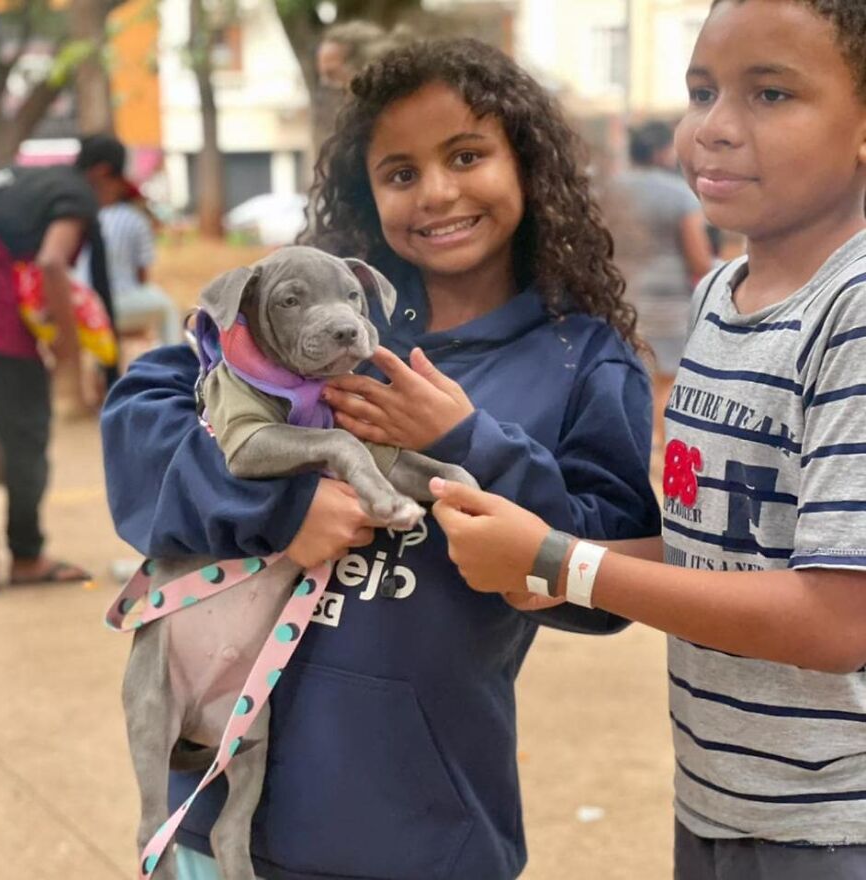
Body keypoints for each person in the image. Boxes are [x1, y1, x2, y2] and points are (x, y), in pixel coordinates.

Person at [101, 37, 660, 880]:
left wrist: (468, 443)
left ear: (530, 167)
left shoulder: (583, 363)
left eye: (467, 156)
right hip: (219, 817)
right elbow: (138, 416)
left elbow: (608, 579)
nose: (436, 193)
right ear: (368, 193)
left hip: (418, 834)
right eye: (400, 173)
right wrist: (279, 508)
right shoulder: (305, 315)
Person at [423, 2, 866, 877]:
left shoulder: (852, 312)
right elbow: (719, 546)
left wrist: (562, 562)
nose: (716, 129)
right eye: (702, 92)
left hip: (832, 822)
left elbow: (836, 618)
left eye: (771, 95)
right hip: (716, 795)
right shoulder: (723, 297)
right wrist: (545, 567)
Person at [0, 134, 126, 593]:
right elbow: (51, 262)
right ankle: (25, 557)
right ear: (104, 173)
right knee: (25, 436)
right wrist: (68, 350)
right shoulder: (74, 191)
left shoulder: (22, 179)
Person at [608, 119, 714, 455]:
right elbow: (698, 260)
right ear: (660, 152)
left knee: (622, 378)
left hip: (614, 299)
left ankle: (630, 451)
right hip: (667, 305)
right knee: (666, 382)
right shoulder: (680, 195)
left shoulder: (607, 191)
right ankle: (665, 457)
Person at [75, 140, 180, 348]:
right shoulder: (136, 220)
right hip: (117, 303)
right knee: (169, 308)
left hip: (77, 303)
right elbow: (141, 277)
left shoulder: (76, 215)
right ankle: (174, 363)